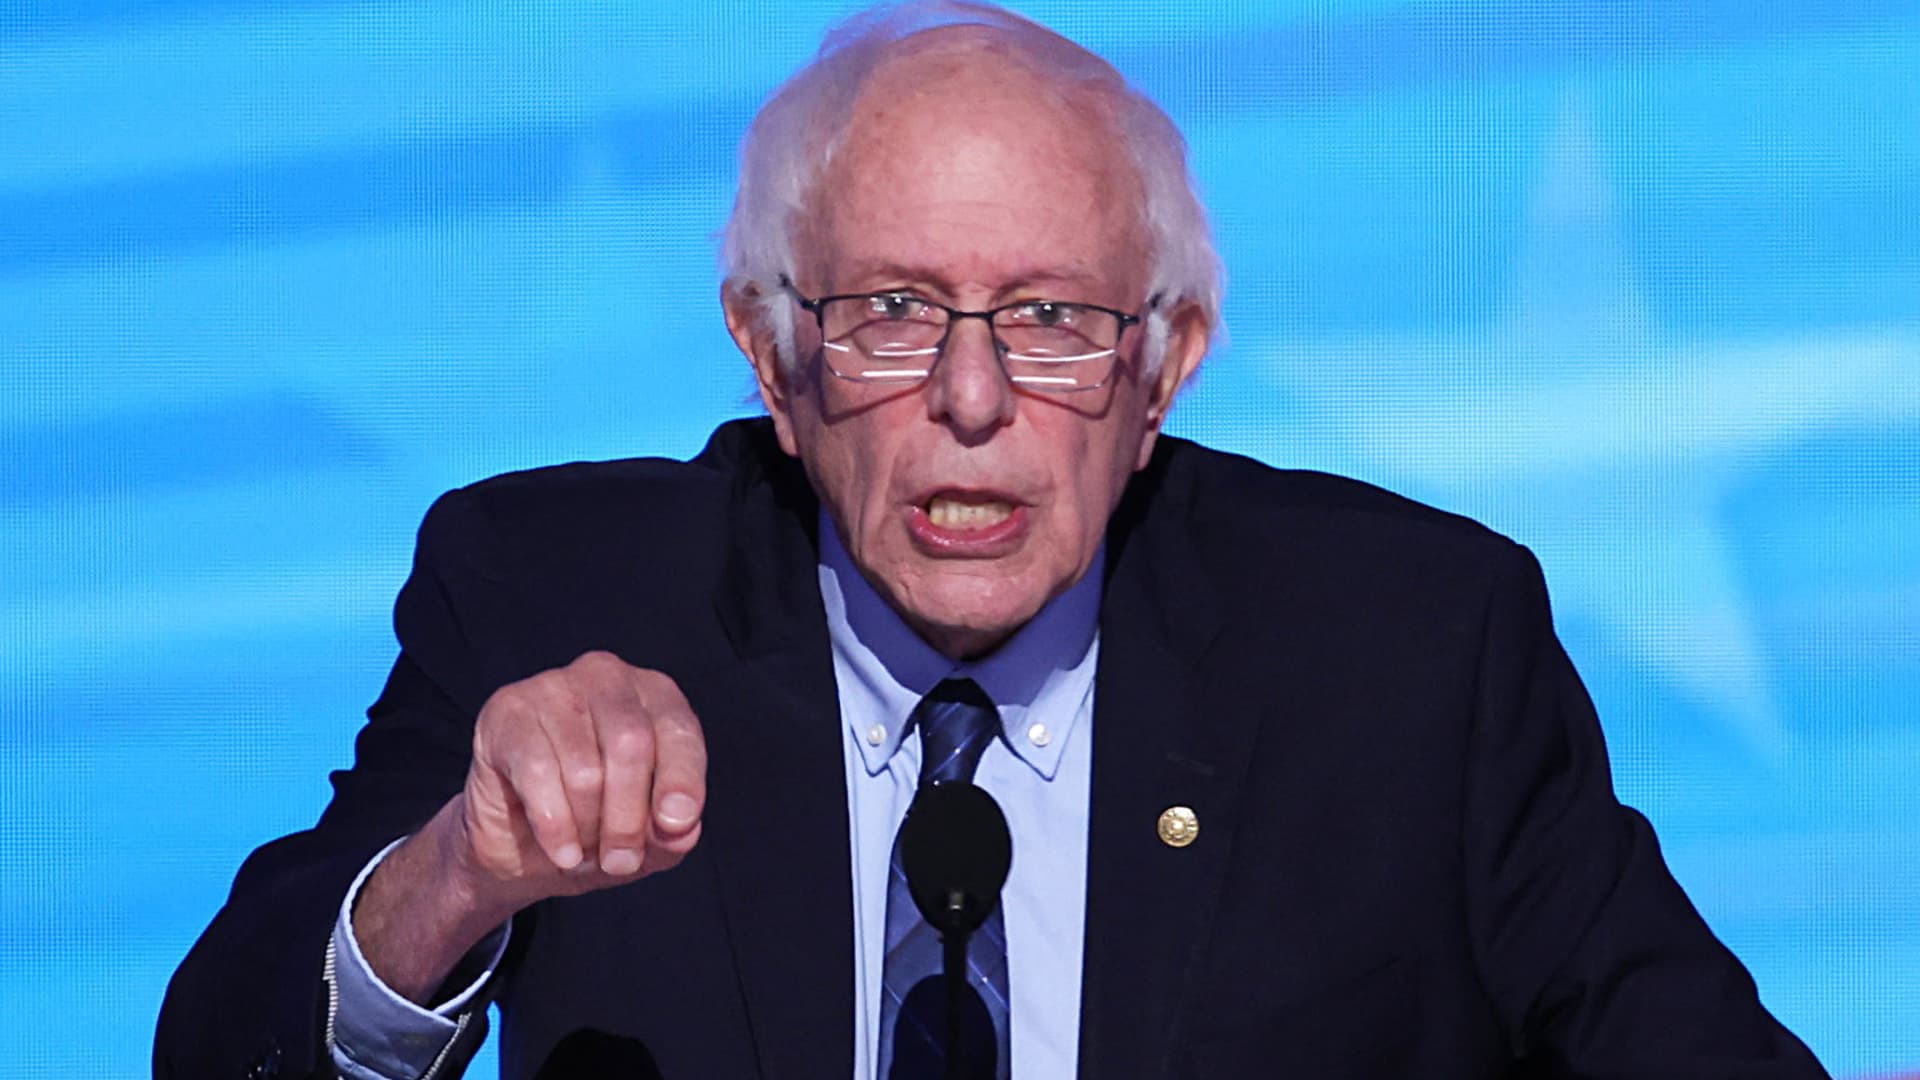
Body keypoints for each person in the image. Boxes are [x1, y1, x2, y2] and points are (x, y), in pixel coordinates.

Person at [156, 3, 1830, 1078]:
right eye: (891, 310)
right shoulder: (554, 594)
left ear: (1163, 362)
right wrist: (461, 876)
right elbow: (218, 1054)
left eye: (1048, 316)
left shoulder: (1411, 648)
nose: (971, 397)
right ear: (771, 353)